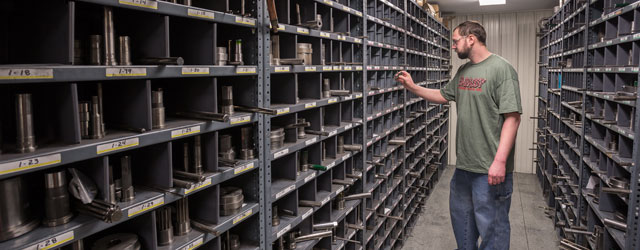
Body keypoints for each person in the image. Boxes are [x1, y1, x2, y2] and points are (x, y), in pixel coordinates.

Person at [395, 21, 522, 250]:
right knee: (463, 226)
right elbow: (443, 95)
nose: (453, 46)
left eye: (455, 41)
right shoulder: (464, 71)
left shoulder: (502, 69)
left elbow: (512, 118)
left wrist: (500, 162)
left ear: (470, 38)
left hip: (489, 169)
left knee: (493, 230)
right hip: (464, 167)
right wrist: (413, 87)